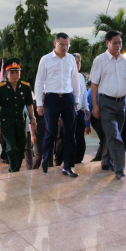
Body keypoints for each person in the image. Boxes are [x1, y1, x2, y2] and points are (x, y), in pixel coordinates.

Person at [90, 30, 126, 179]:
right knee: (114, 136)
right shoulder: (100, 60)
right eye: (115, 42)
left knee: (113, 136)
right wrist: (95, 105)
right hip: (106, 103)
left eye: (120, 43)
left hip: (121, 103)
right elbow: (94, 84)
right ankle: (119, 168)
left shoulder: (124, 61)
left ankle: (106, 161)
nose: (118, 45)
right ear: (108, 43)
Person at [34, 33, 80, 177]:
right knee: (51, 132)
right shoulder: (46, 59)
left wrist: (77, 99)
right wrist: (39, 104)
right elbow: (39, 81)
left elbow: (75, 80)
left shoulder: (71, 59)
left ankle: (68, 166)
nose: (65, 48)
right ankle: (46, 159)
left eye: (67, 45)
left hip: (67, 98)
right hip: (51, 98)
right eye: (62, 45)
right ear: (55, 44)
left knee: (69, 133)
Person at [0, 58, 36, 173]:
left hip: (20, 122)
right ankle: (13, 169)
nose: (15, 74)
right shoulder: (0, 88)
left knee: (22, 146)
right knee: (11, 146)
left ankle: (15, 167)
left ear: (20, 73)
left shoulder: (25, 87)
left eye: (17, 72)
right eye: (12, 72)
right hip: (6, 122)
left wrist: (32, 118)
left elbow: (29, 104)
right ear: (6, 74)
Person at [72, 53, 90, 164]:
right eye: (74, 62)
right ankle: (63, 160)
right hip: (68, 112)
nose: (77, 64)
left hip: (79, 112)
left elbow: (84, 95)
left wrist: (87, 109)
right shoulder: (66, 77)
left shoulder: (81, 77)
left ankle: (78, 159)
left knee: (80, 136)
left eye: (78, 62)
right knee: (68, 137)